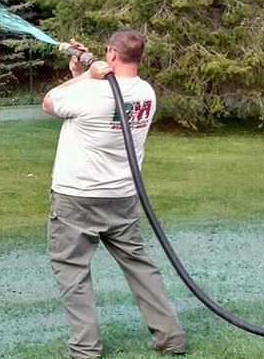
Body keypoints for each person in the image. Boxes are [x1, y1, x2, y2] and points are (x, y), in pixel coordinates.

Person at [42, 29, 186, 358]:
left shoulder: (91, 93)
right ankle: (171, 337)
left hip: (77, 197)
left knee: (71, 269)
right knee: (139, 265)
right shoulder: (146, 92)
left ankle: (85, 349)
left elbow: (49, 102)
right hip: (122, 197)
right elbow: (103, 99)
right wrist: (82, 72)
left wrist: (83, 79)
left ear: (111, 55)